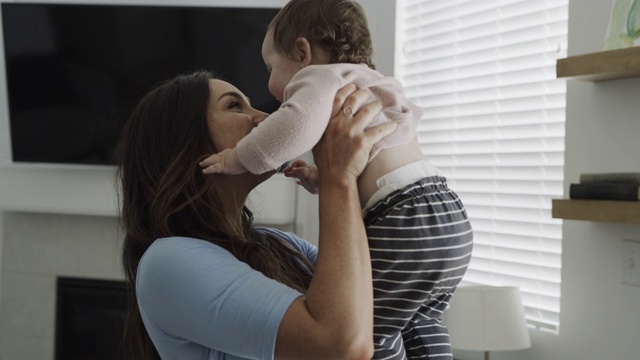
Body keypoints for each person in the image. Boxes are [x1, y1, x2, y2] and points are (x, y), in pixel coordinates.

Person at [199, 1, 474, 359]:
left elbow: (293, 127)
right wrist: (321, 177)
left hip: (402, 220)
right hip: (446, 216)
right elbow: (374, 159)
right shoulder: (374, 82)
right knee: (421, 320)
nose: (268, 94)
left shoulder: (320, 77)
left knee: (365, 327)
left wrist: (237, 158)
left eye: (271, 67)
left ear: (302, 52)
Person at [118, 69, 398, 360]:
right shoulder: (166, 262)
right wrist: (337, 177)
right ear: (181, 142)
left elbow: (381, 299)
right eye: (234, 106)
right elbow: (340, 347)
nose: (266, 119)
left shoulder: (283, 246)